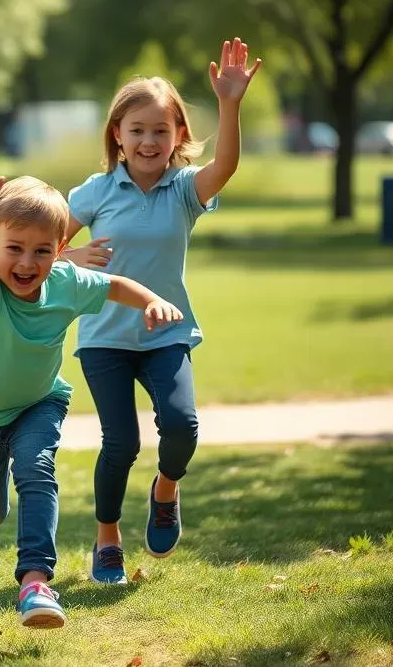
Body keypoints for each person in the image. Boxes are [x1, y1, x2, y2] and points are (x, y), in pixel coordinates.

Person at [0, 148, 184, 628]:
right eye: (15, 248)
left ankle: (35, 582)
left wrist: (153, 300)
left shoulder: (67, 280)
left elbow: (113, 285)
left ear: (60, 248)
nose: (28, 262)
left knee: (37, 469)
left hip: (38, 403)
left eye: (42, 250)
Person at [66, 37, 262, 585]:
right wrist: (71, 253)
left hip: (166, 331)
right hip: (104, 337)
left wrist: (230, 103)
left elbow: (224, 165)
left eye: (160, 130)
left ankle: (166, 488)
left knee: (181, 425)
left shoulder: (182, 190)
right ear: (117, 137)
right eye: (137, 130)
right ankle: (107, 540)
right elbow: (32, 243)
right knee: (120, 442)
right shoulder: (96, 192)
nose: (149, 140)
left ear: (178, 135)